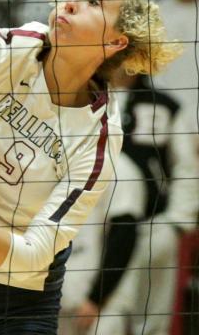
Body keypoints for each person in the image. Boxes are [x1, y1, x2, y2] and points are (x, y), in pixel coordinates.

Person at [0, 0, 180, 329]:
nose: (71, 2)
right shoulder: (15, 50)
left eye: (94, 2)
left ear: (116, 41)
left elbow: (32, 256)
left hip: (17, 302)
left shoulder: (101, 136)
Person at [65, 71, 199, 335]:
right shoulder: (83, 98)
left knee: (152, 319)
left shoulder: (165, 105)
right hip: (96, 227)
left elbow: (186, 168)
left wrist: (176, 223)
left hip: (153, 226)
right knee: (99, 309)